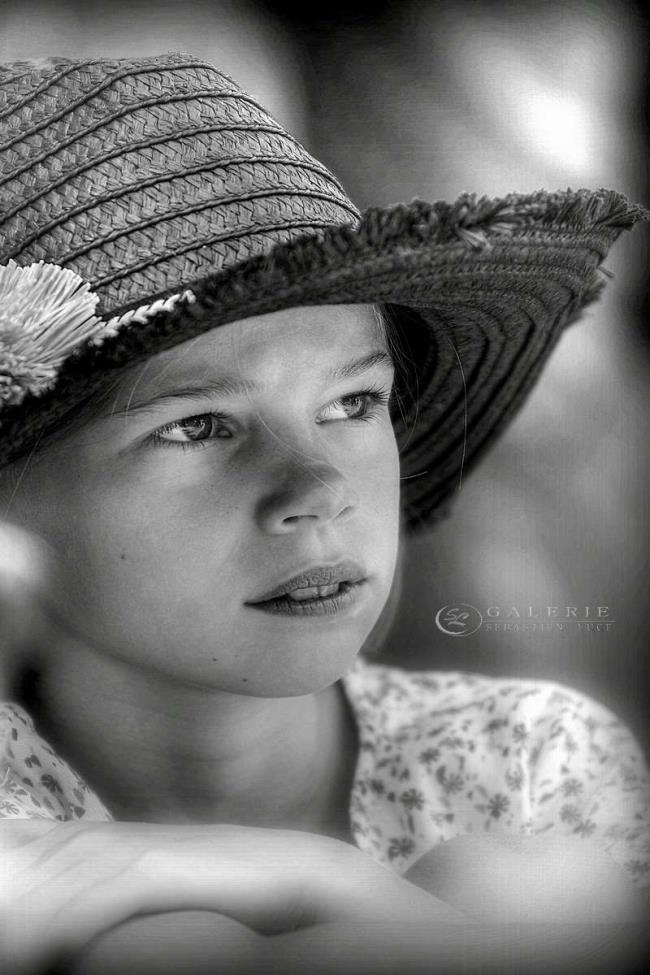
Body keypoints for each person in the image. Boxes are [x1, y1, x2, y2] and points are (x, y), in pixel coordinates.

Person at [0, 53, 648, 975]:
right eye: (198, 425)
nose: (320, 489)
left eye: (354, 402)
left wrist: (326, 879)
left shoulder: (527, 756)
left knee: (536, 886)